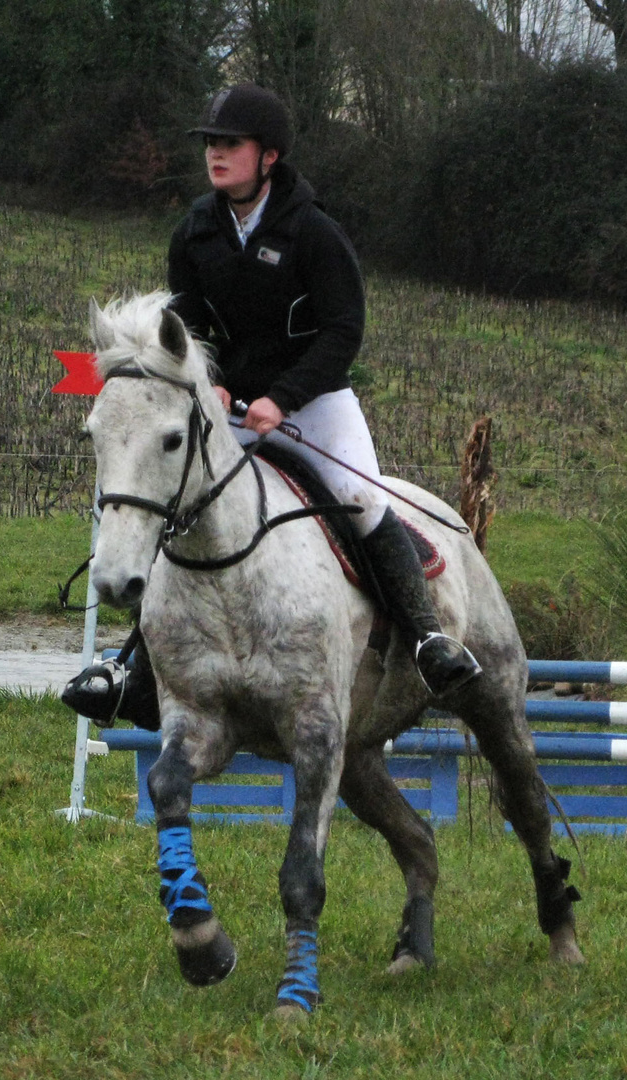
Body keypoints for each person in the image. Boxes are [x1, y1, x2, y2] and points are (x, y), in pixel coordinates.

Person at [62, 84, 479, 725]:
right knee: (188, 510)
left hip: (314, 400)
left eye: (232, 144)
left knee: (361, 500)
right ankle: (133, 672)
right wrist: (216, 383)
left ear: (270, 156)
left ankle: (426, 638)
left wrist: (282, 399)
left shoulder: (314, 233)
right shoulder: (196, 231)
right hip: (231, 406)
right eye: (211, 144)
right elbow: (192, 327)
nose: (217, 154)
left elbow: (343, 330)